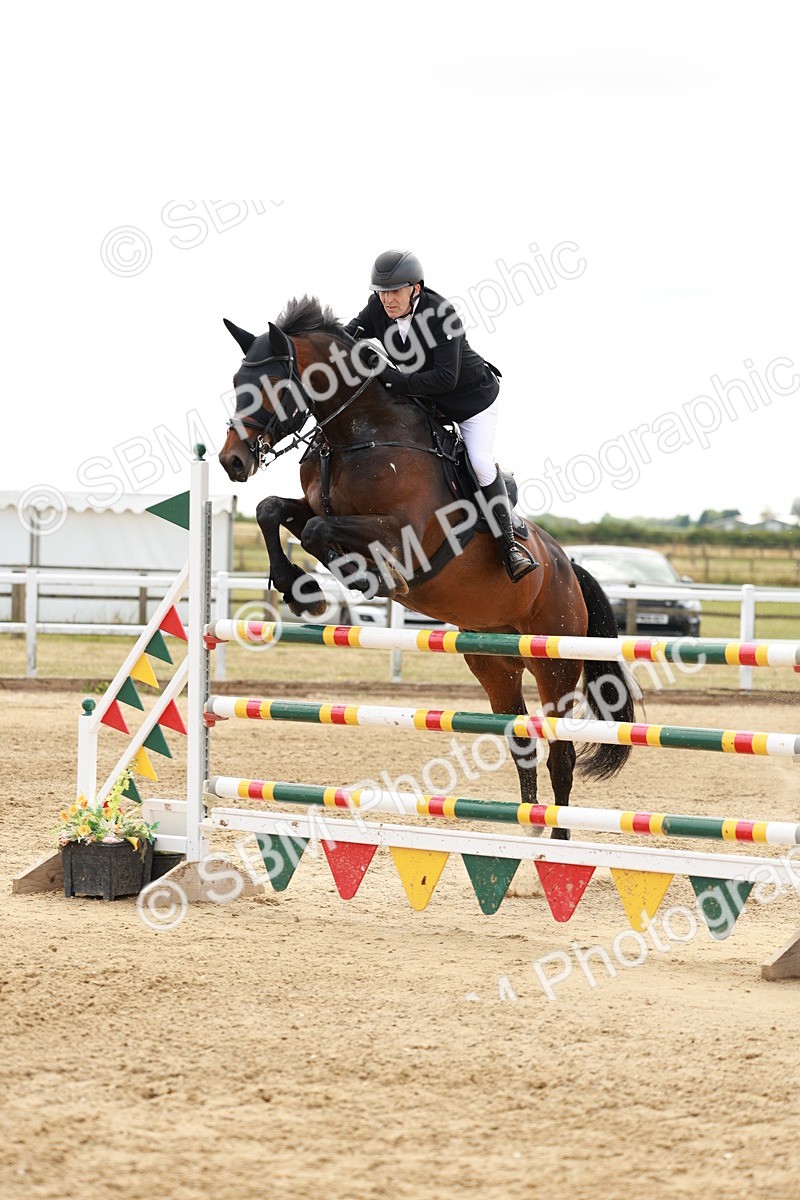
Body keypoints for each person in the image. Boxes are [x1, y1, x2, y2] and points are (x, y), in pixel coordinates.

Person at [344, 249, 538, 582]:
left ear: (415, 288)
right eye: (381, 291)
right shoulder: (377, 307)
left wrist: (391, 379)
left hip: (471, 401)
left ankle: (509, 546)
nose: (387, 299)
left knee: (478, 462)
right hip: (426, 401)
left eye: (394, 291)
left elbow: (445, 378)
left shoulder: (442, 314)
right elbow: (346, 338)